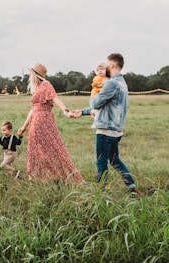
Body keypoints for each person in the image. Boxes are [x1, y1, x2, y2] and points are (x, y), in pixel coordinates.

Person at [69, 53, 140, 194]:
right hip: (116, 130)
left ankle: (101, 193)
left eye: (107, 65)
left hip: (105, 130)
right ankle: (131, 188)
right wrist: (82, 112)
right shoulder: (122, 83)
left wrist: (94, 91)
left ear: (112, 65)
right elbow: (105, 107)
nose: (105, 67)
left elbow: (95, 103)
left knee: (101, 162)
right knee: (115, 161)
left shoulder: (111, 83)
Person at [17, 63, 85, 183]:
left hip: (43, 120)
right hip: (35, 120)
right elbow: (33, 109)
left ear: (35, 75)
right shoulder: (37, 88)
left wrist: (65, 111)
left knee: (50, 148)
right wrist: (24, 126)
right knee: (35, 149)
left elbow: (55, 98)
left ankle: (55, 175)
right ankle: (37, 176)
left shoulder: (46, 85)